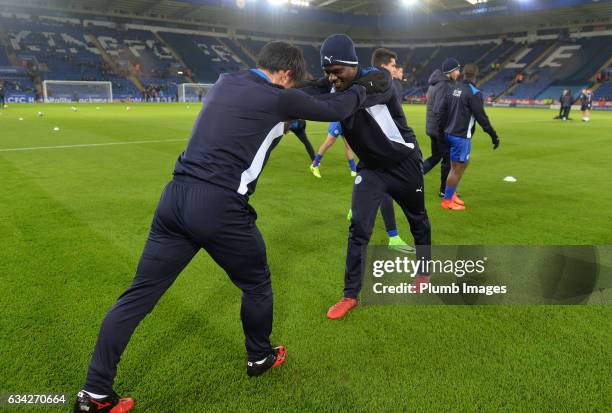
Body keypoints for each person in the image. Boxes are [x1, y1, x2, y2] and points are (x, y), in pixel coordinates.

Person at [73, 41, 388, 413]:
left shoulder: (226, 80)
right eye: (293, 80)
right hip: (219, 206)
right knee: (256, 282)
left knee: (138, 295)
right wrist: (367, 86)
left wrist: (322, 81)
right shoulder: (278, 99)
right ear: (285, 74)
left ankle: (93, 393)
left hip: (174, 199)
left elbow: (301, 93)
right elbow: (336, 107)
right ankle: (259, 356)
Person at [300, 34, 431, 320]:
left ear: (353, 65)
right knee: (358, 228)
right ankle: (350, 295)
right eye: (328, 73)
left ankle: (424, 271)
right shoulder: (335, 83)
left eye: (337, 72)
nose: (332, 79)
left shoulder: (380, 79)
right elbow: (306, 87)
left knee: (418, 219)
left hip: (403, 163)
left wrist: (315, 100)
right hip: (371, 169)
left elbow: (344, 102)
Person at [435, 63, 500, 211]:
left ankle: (452, 195)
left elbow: (442, 111)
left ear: (463, 74)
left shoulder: (453, 88)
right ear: (476, 75)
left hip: (450, 133)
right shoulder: (474, 92)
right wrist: (493, 135)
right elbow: (482, 117)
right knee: (457, 168)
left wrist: (441, 133)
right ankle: (447, 201)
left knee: (463, 163)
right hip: (461, 136)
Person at [423, 58, 461, 198]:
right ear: (450, 71)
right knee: (447, 160)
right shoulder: (444, 85)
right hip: (439, 130)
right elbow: (440, 110)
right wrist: (444, 131)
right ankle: (445, 190)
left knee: (435, 156)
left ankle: (414, 175)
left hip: (432, 128)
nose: (459, 72)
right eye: (457, 69)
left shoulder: (435, 83)